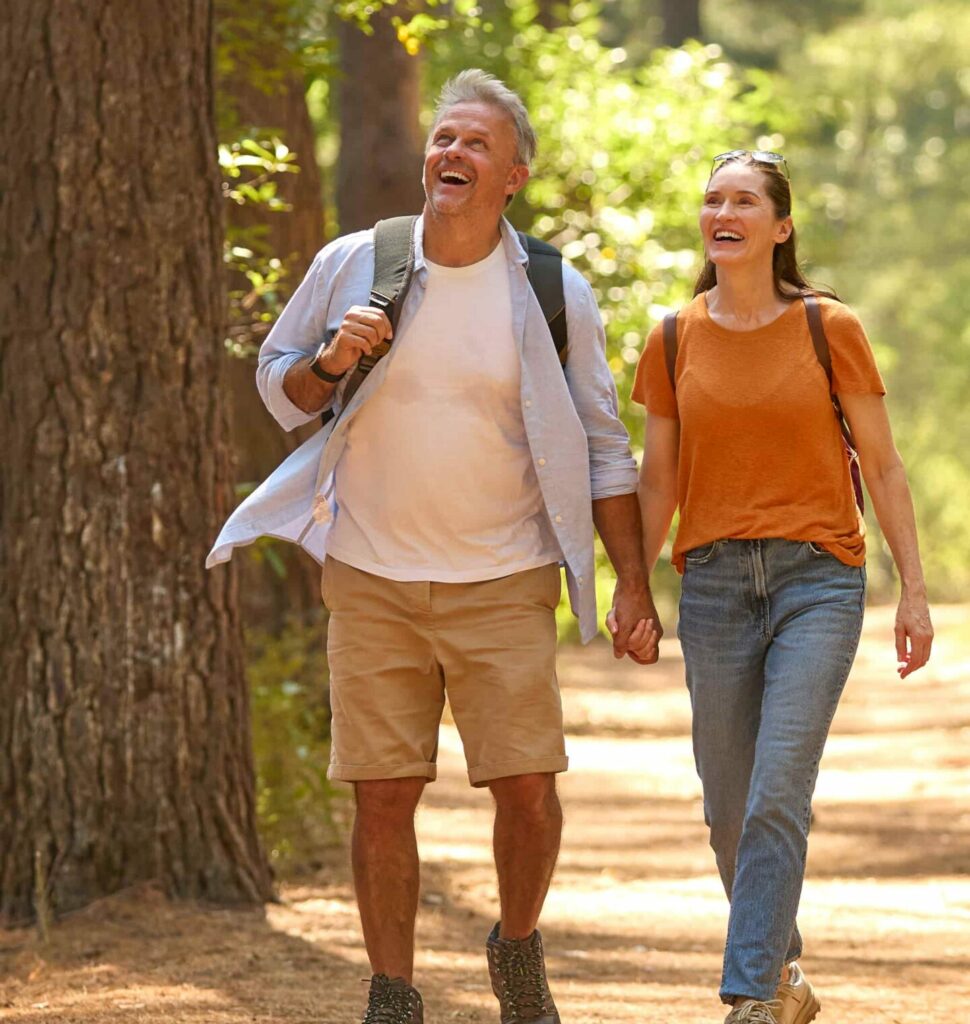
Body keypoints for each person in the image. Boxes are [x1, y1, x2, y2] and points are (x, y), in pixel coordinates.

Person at [208, 69, 660, 1024]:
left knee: (529, 792)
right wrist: (333, 358)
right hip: (371, 575)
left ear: (514, 177)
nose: (451, 154)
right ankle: (393, 992)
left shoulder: (550, 288)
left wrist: (633, 586)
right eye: (443, 138)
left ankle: (519, 946)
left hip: (504, 576)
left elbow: (602, 444)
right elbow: (278, 380)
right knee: (382, 797)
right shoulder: (356, 263)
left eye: (475, 145)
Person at [628, 150, 933, 1024]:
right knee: (729, 810)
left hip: (817, 581)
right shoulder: (674, 335)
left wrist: (912, 592)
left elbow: (882, 463)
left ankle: (750, 996)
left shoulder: (826, 326)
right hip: (716, 585)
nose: (724, 212)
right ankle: (786, 975)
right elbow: (659, 482)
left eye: (745, 200)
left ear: (780, 227)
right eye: (713, 199)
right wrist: (632, 589)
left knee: (775, 794)